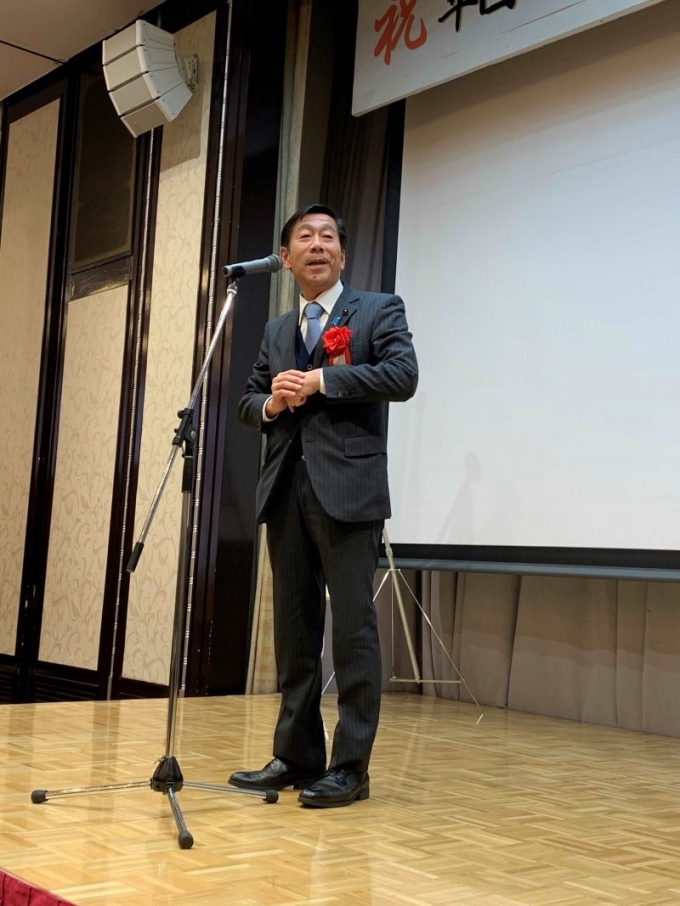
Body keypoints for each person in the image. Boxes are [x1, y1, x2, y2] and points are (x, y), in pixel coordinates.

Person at [229, 204, 418, 807]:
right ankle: (296, 755)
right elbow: (248, 400)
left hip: (349, 491)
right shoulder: (278, 328)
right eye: (305, 237)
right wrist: (273, 403)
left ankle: (351, 767)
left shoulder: (378, 309)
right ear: (285, 259)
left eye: (328, 236)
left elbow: (403, 376)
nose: (318, 244)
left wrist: (322, 382)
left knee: (354, 630)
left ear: (342, 253)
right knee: (295, 630)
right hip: (286, 488)